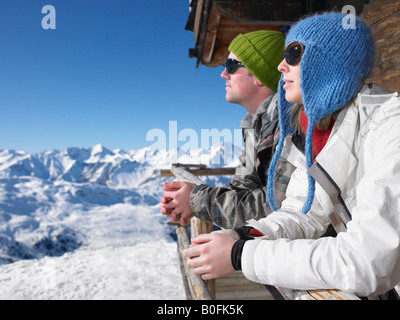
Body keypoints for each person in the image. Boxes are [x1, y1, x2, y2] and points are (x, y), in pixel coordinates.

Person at [183, 12, 400, 298]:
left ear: (328, 61)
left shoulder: (389, 125)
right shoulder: (322, 129)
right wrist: (244, 235)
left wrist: (241, 256)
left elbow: (366, 260)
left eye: (293, 52)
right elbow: (302, 213)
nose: (281, 65)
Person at [160, 30, 295, 229]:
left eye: (231, 66)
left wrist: (196, 200)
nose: (223, 74)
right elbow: (244, 186)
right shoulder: (255, 125)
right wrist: (189, 201)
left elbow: (276, 207)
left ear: (258, 74)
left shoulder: (289, 126)